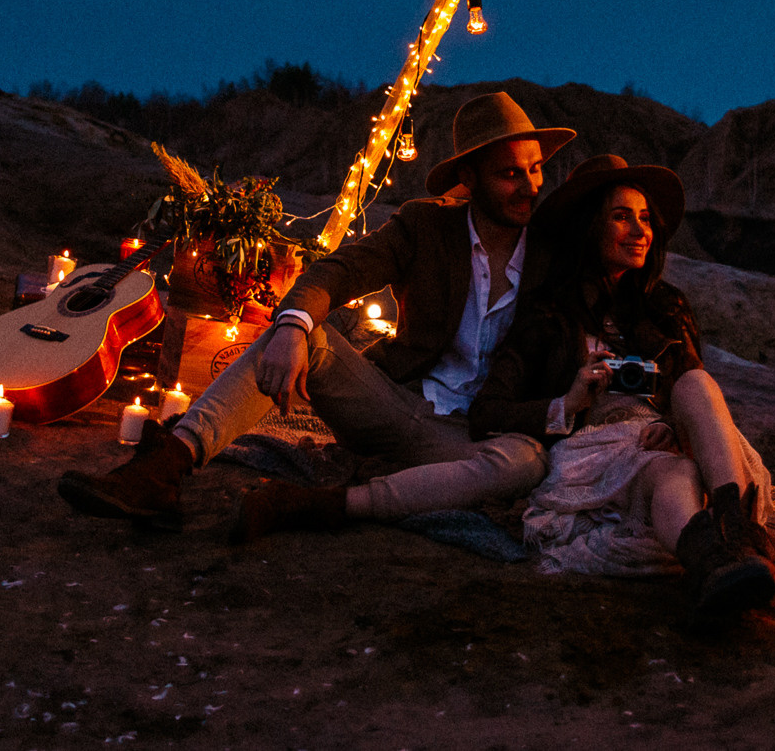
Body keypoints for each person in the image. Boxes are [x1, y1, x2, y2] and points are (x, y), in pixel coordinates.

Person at [58, 91, 573, 537]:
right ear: (469, 177)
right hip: (395, 405)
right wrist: (291, 326)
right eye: (510, 173)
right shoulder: (427, 227)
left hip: (477, 436)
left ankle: (319, 505)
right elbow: (333, 273)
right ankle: (165, 467)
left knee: (526, 462)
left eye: (535, 169)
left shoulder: (555, 254)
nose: (530, 185)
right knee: (301, 333)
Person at [469, 155, 775, 616]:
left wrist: (675, 426)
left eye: (645, 218)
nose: (639, 231)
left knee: (693, 388)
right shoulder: (548, 311)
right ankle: (722, 559)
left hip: (669, 441)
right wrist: (569, 401)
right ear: (589, 227)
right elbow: (487, 412)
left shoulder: (667, 305)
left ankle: (728, 547)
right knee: (671, 474)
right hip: (596, 450)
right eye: (621, 217)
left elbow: (692, 384)